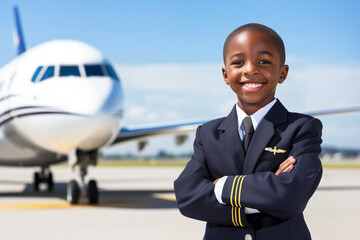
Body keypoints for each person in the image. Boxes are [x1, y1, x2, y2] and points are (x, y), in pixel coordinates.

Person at [174, 23, 323, 240]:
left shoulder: (302, 128)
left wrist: (223, 186)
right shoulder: (207, 133)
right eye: (238, 62)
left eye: (263, 61)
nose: (250, 69)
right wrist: (267, 191)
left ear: (282, 73)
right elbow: (187, 197)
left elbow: (293, 197)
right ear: (225, 74)